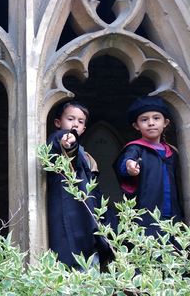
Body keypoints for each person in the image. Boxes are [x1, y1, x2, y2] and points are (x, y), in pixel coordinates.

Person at [46, 100, 117, 269]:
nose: (75, 124)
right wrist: (67, 141)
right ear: (58, 123)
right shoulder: (58, 139)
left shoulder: (85, 154)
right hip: (71, 214)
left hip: (88, 216)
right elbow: (64, 143)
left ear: (85, 128)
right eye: (71, 119)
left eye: (80, 121)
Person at [113, 95, 183, 237]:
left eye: (156, 118)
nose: (151, 123)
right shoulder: (136, 148)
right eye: (144, 120)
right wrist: (130, 166)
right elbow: (128, 160)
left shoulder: (171, 152)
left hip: (172, 213)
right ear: (136, 126)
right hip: (148, 212)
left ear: (166, 122)